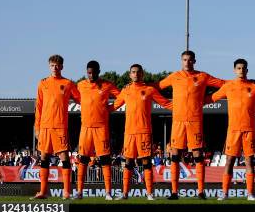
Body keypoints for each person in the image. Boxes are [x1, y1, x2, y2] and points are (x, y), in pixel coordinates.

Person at [158, 50, 226, 200]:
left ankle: (201, 191)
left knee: (198, 156)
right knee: (175, 156)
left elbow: (224, 85)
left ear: (194, 61)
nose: (187, 62)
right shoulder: (174, 76)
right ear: (181, 61)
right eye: (184, 60)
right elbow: (156, 87)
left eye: (189, 60)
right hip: (178, 122)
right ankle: (174, 192)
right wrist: (167, 104)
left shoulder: (202, 76)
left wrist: (208, 99)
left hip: (195, 121)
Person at [209, 58, 255, 201]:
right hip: (233, 130)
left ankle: (250, 193)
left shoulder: (254, 86)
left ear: (247, 70)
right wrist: (195, 101)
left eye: (243, 68)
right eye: (238, 68)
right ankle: (225, 193)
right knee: (229, 161)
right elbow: (212, 98)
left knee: (249, 162)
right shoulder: (228, 86)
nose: (241, 71)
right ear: (234, 70)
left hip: (249, 130)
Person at [111, 64, 172, 200]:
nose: (136, 74)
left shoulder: (149, 90)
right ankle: (125, 194)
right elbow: (114, 106)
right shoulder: (126, 90)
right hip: (129, 133)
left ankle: (150, 194)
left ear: (142, 74)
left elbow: (166, 104)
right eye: (133, 72)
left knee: (146, 162)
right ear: (130, 74)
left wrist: (182, 108)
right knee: (128, 163)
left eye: (138, 72)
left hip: (144, 132)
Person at [32, 55, 81, 200]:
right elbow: (39, 107)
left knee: (64, 157)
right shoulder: (42, 83)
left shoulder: (68, 83)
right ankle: (43, 192)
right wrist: (37, 127)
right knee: (44, 157)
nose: (55, 68)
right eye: (52, 65)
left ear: (62, 67)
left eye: (57, 65)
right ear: (49, 66)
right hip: (45, 126)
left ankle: (66, 192)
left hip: (60, 127)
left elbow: (80, 99)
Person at [74, 61, 120, 200]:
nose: (91, 75)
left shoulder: (107, 85)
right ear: (86, 72)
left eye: (94, 72)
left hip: (101, 127)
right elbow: (76, 98)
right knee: (83, 158)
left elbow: (123, 97)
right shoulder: (81, 85)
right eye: (89, 72)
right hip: (86, 127)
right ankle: (79, 193)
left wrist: (110, 108)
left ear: (99, 71)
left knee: (105, 159)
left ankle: (108, 193)